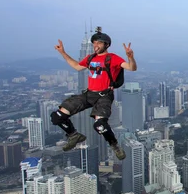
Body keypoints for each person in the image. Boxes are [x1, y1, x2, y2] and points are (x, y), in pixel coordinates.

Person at [51, 28, 137, 160]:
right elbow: (77, 66)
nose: (95, 45)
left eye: (99, 43)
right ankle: (74, 135)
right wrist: (63, 52)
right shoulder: (90, 58)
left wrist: (130, 57)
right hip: (89, 94)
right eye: (94, 43)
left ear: (106, 45)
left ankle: (114, 145)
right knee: (57, 116)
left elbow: (131, 68)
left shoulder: (112, 58)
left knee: (100, 125)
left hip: (104, 96)